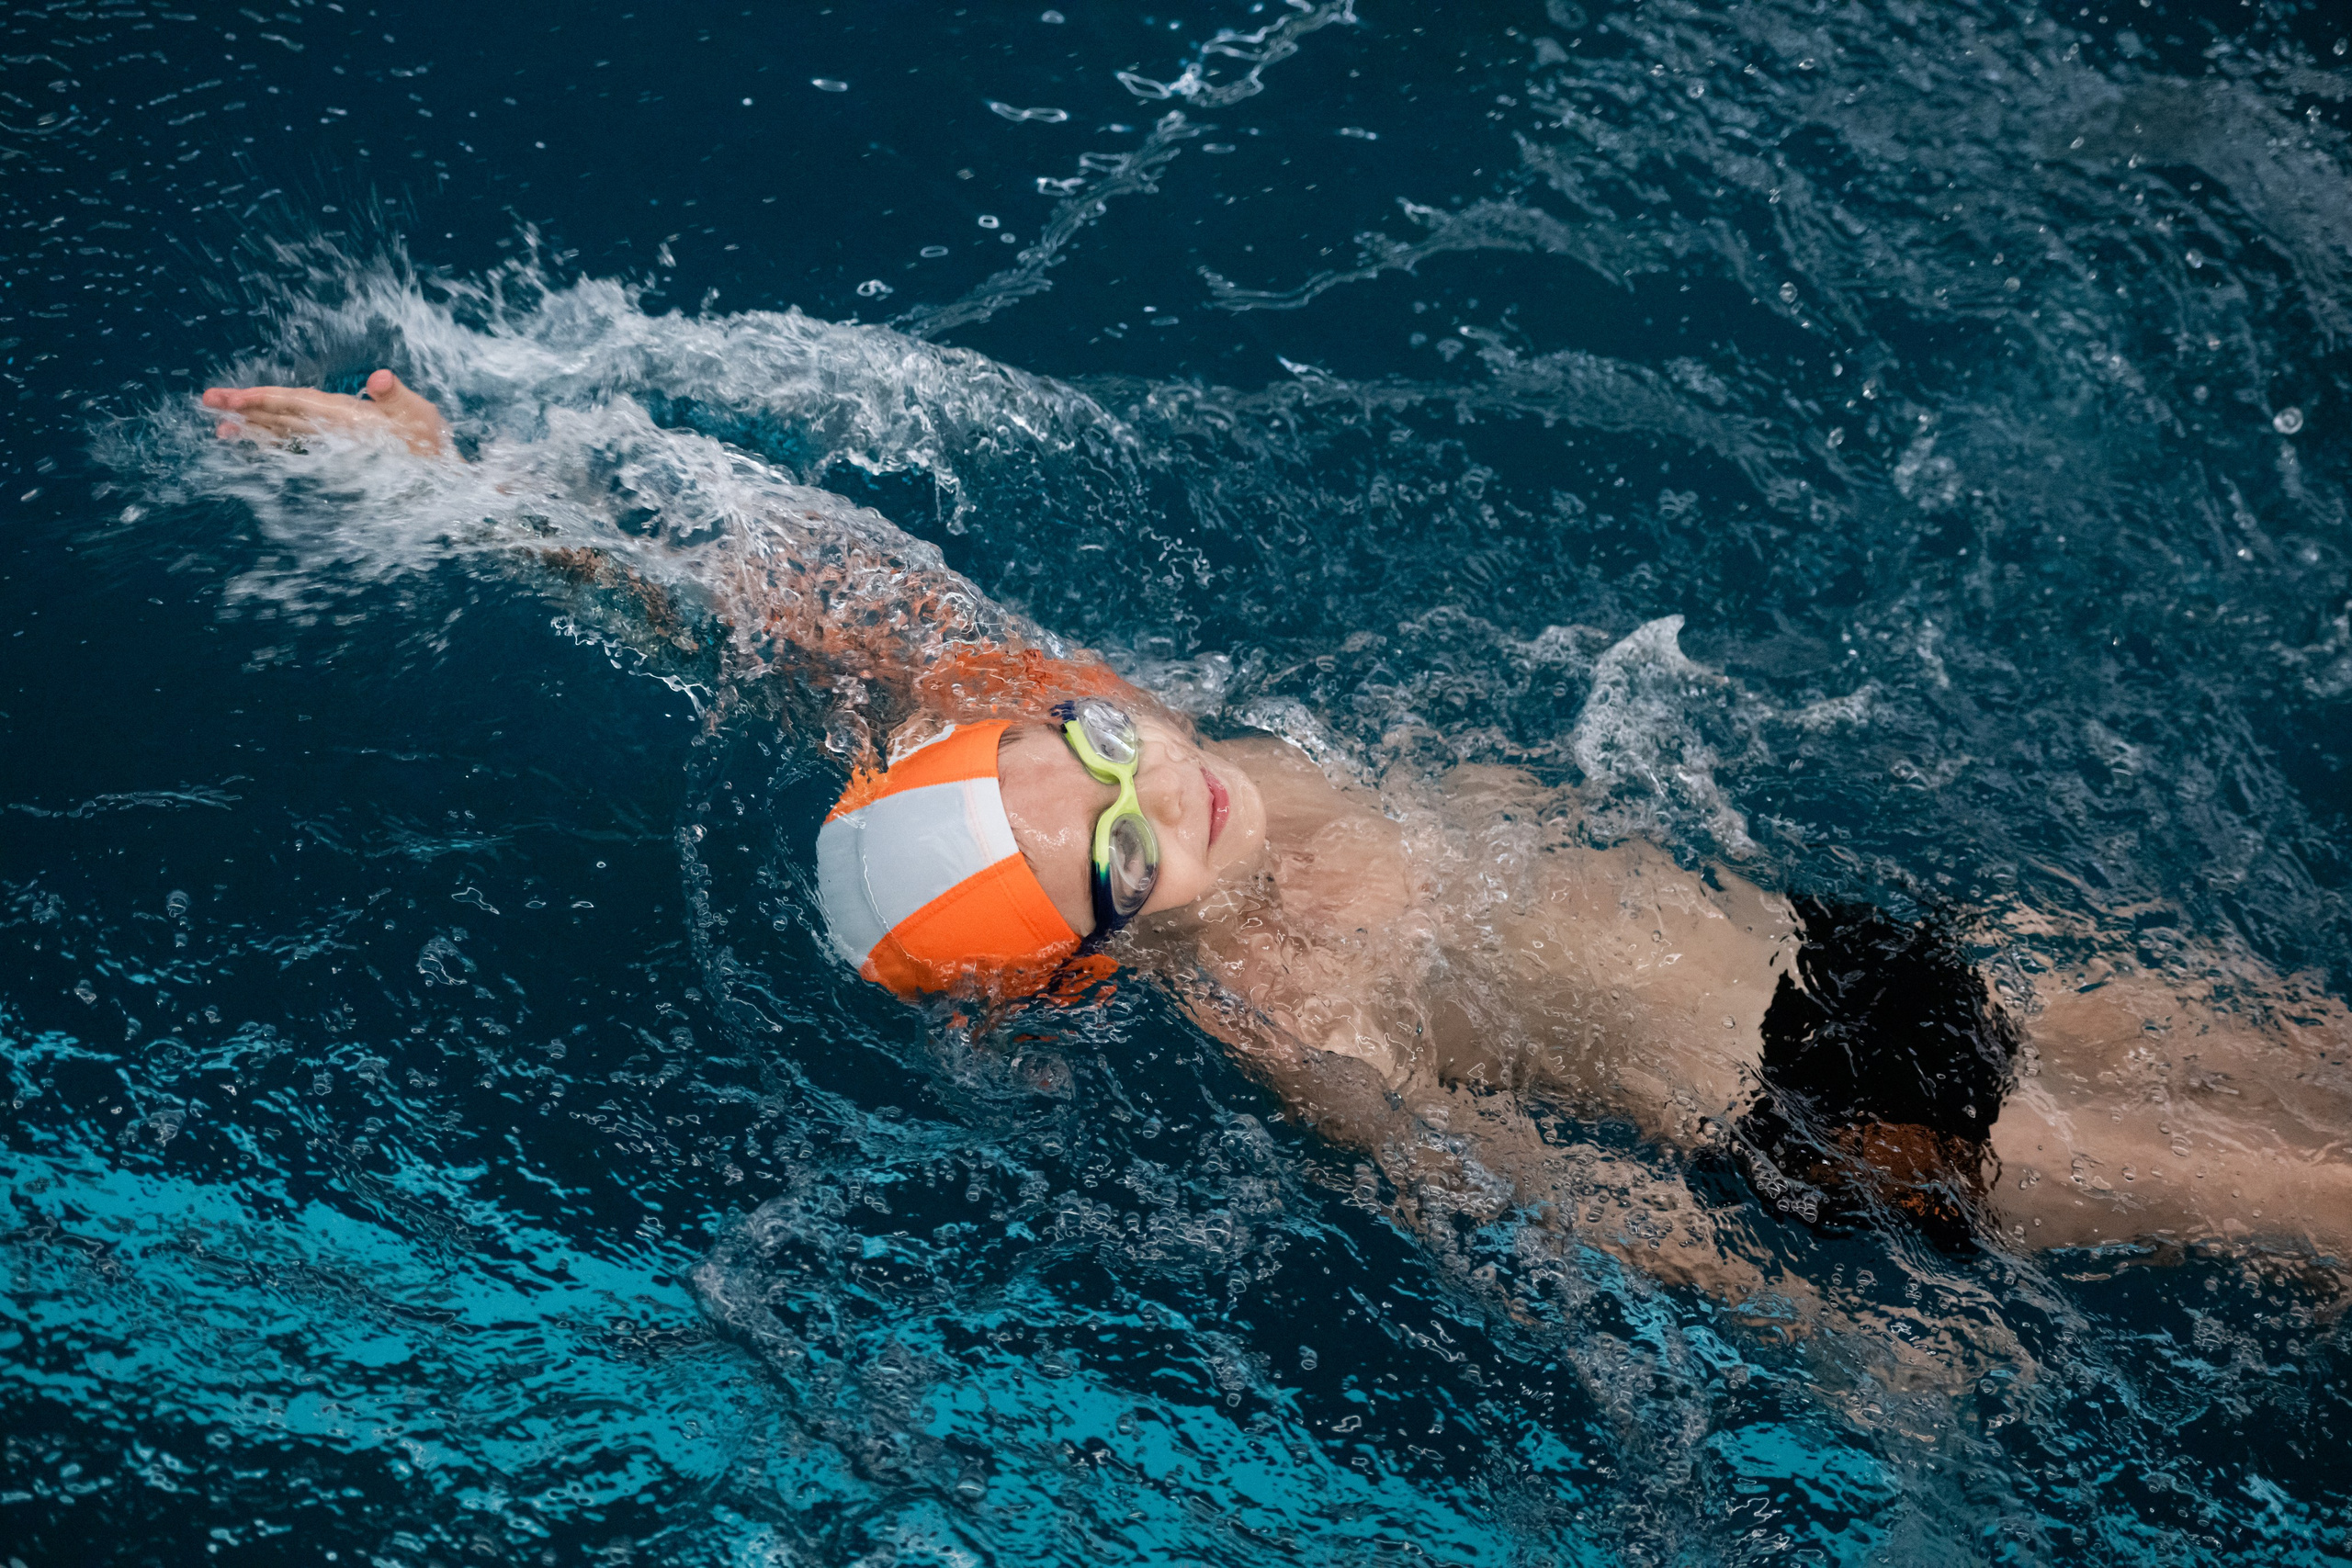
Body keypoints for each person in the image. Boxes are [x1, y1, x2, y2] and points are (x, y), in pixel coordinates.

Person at [202, 373, 2352, 1285]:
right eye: (1117, 854)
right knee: (2299, 1204)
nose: (1170, 787)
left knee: (2304, 1057)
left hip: (1837, 941)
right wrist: (1804, 1312)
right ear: (1089, 963)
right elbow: (1508, 1192)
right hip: (1827, 1111)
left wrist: (474, 491)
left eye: (1099, 742)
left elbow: (803, 622)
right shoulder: (1287, 1003)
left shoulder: (1049, 723)